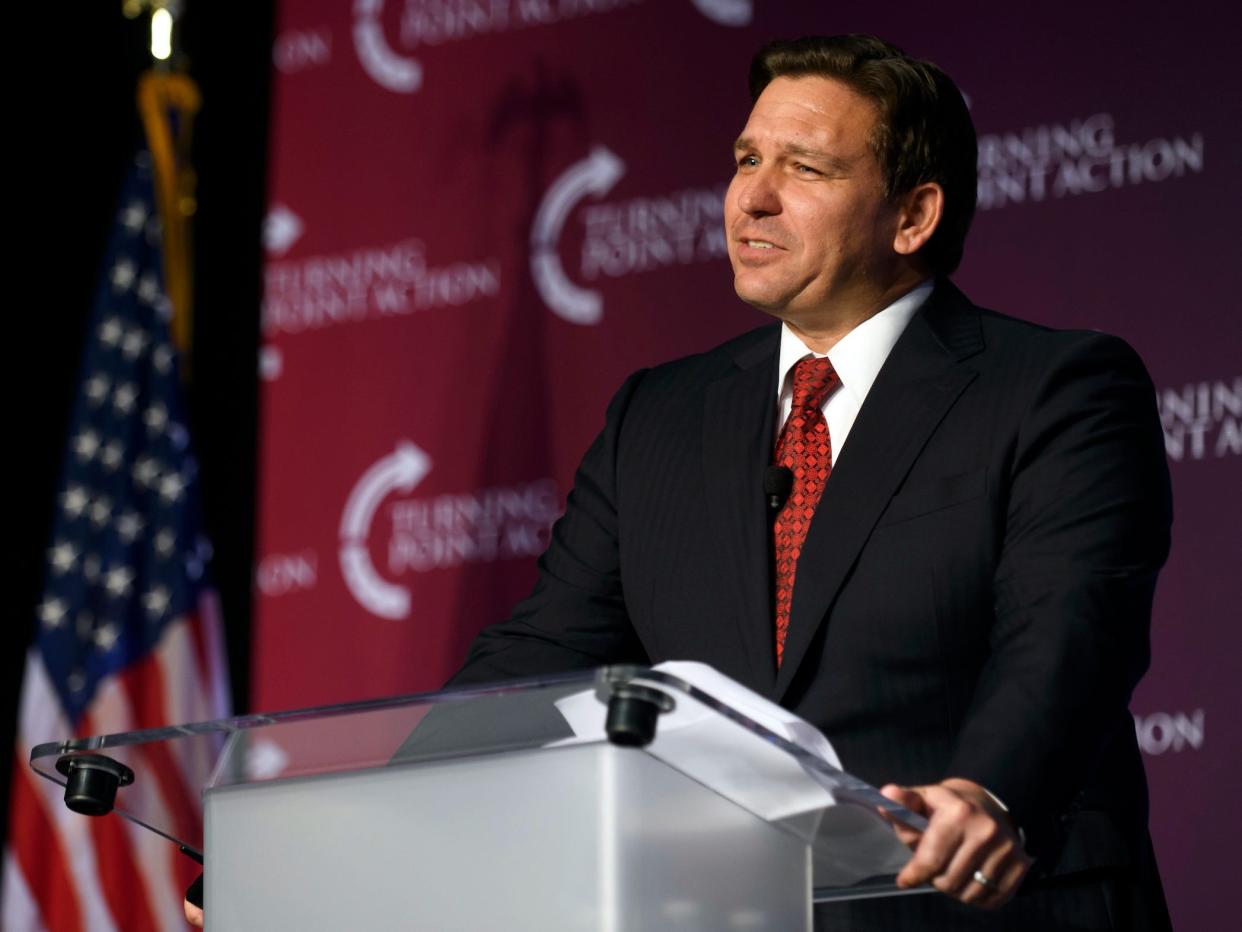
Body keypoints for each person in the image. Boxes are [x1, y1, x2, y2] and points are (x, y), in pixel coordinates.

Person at [187, 34, 1171, 931]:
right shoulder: (659, 416)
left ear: (913, 214)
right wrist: (340, 832)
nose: (753, 197)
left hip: (988, 904)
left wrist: (991, 793)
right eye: (747, 160)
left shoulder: (1053, 387)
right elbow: (534, 660)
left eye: (806, 167)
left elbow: (1069, 631)